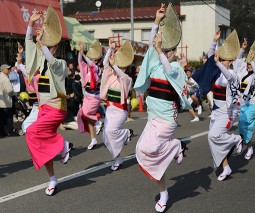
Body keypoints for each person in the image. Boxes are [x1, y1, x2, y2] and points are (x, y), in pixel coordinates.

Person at [134, 4, 190, 212]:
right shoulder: (157, 63)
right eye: (165, 50)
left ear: (174, 52)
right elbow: (151, 49)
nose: (166, 52)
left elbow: (167, 66)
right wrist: (156, 22)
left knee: (151, 149)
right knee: (142, 151)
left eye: (169, 50)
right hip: (152, 117)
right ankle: (164, 192)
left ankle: (176, 146)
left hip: (167, 119)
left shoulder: (176, 67)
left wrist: (160, 51)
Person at [25, 7, 73, 196]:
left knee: (32, 132)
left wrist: (41, 43)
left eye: (46, 43)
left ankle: (62, 145)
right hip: (44, 108)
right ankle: (52, 178)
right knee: (40, 143)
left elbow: (51, 60)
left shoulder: (59, 63)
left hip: (56, 108)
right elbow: (30, 45)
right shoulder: (40, 61)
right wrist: (31, 24)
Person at [193, 29, 243, 181]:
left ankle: (237, 139)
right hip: (216, 110)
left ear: (232, 61)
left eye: (226, 60)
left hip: (228, 112)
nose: (223, 62)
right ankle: (226, 167)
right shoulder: (217, 71)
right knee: (212, 141)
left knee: (214, 135)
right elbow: (210, 59)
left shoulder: (233, 74)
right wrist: (214, 41)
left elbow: (227, 75)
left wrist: (218, 64)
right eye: (222, 59)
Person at [100, 38, 134, 171]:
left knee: (110, 131)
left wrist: (114, 66)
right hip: (110, 109)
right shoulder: (111, 75)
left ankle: (126, 133)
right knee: (105, 136)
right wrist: (110, 49)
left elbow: (123, 77)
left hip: (120, 111)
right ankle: (118, 158)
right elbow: (104, 63)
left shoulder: (127, 78)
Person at [236, 37, 255, 160]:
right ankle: (249, 147)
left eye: (251, 64)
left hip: (254, 104)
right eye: (248, 64)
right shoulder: (242, 74)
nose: (248, 65)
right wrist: (242, 49)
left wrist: (253, 61)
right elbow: (237, 62)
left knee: (246, 122)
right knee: (241, 127)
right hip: (243, 104)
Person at [77, 41, 102, 149]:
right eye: (90, 58)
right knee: (83, 116)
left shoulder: (96, 69)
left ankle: (97, 122)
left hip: (95, 96)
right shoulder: (85, 68)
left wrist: (83, 54)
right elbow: (80, 61)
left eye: (94, 59)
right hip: (87, 95)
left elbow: (90, 64)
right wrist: (80, 52)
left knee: (85, 114)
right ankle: (93, 139)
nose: (92, 60)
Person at [0, 64, 15, 137]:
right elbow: (9, 91)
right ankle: (9, 131)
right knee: (8, 117)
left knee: (1, 118)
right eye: (7, 69)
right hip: (6, 101)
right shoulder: (5, 79)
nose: (9, 70)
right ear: (3, 70)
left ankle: (2, 132)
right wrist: (14, 95)